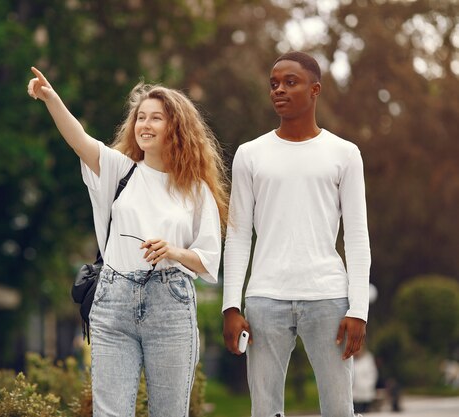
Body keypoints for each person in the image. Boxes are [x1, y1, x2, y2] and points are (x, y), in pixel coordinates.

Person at [27, 67, 228, 417]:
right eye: (141, 117)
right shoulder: (122, 170)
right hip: (113, 301)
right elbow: (80, 139)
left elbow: (209, 258)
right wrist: (51, 99)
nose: (145, 125)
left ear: (176, 128)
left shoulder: (195, 190)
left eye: (156, 118)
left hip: (171, 302)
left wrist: (174, 251)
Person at [222, 51, 371, 416]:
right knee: (264, 409)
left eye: (291, 82)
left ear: (315, 89)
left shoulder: (344, 153)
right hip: (265, 299)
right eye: (274, 84)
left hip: (328, 299)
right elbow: (239, 234)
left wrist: (359, 309)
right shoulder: (250, 154)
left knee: (339, 409)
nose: (279, 90)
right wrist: (231, 305)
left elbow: (356, 236)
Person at [352, 346, 379, 413]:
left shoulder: (368, 359)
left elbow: (373, 375)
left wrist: (366, 386)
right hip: (354, 395)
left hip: (366, 395)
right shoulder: (351, 360)